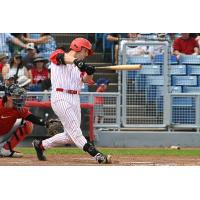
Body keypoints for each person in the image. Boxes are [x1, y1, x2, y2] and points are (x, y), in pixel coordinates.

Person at [32, 37, 112, 164]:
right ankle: (96, 154)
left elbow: (86, 80)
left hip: (75, 98)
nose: (86, 55)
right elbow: (61, 57)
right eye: (86, 51)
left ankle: (40, 145)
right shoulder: (59, 54)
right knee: (76, 131)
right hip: (60, 96)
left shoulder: (79, 66)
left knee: (70, 137)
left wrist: (89, 72)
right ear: (78, 47)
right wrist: (78, 62)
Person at [0, 84, 51, 157]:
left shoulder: (18, 108)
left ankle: (6, 149)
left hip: (5, 133)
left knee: (28, 124)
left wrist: (46, 123)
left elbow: (32, 118)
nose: (19, 98)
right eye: (16, 96)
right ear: (8, 97)